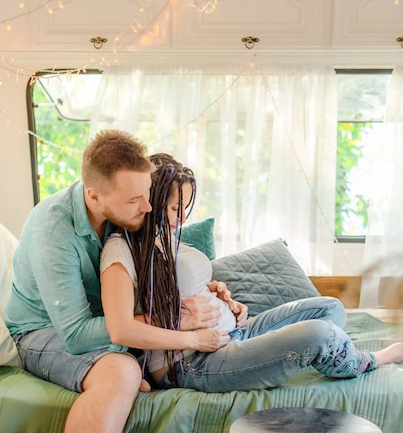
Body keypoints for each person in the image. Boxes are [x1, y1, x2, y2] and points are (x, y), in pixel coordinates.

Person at [6, 132, 229, 433]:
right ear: (94, 194)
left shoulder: (125, 215)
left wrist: (207, 292)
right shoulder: (53, 228)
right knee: (122, 369)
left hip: (103, 323)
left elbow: (152, 279)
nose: (147, 209)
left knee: (135, 363)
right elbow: (79, 333)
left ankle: (130, 376)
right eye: (136, 200)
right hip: (42, 333)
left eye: (148, 195)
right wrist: (174, 324)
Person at [100, 152, 403, 394]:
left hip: (234, 333)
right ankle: (372, 359)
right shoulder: (122, 249)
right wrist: (192, 334)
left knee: (329, 307)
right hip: (191, 360)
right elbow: (122, 327)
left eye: (186, 208)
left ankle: (301, 352)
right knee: (319, 333)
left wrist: (221, 298)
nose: (181, 218)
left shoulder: (169, 240)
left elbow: (180, 289)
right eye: (175, 208)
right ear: (151, 201)